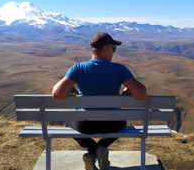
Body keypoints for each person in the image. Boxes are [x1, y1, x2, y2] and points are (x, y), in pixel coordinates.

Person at [52, 32, 147, 170]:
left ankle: (92, 150)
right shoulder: (120, 69)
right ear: (106, 48)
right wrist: (129, 89)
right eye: (114, 48)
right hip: (112, 124)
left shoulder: (78, 68)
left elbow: (56, 94)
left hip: (86, 125)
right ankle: (101, 147)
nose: (114, 52)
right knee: (122, 121)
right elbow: (142, 95)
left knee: (69, 124)